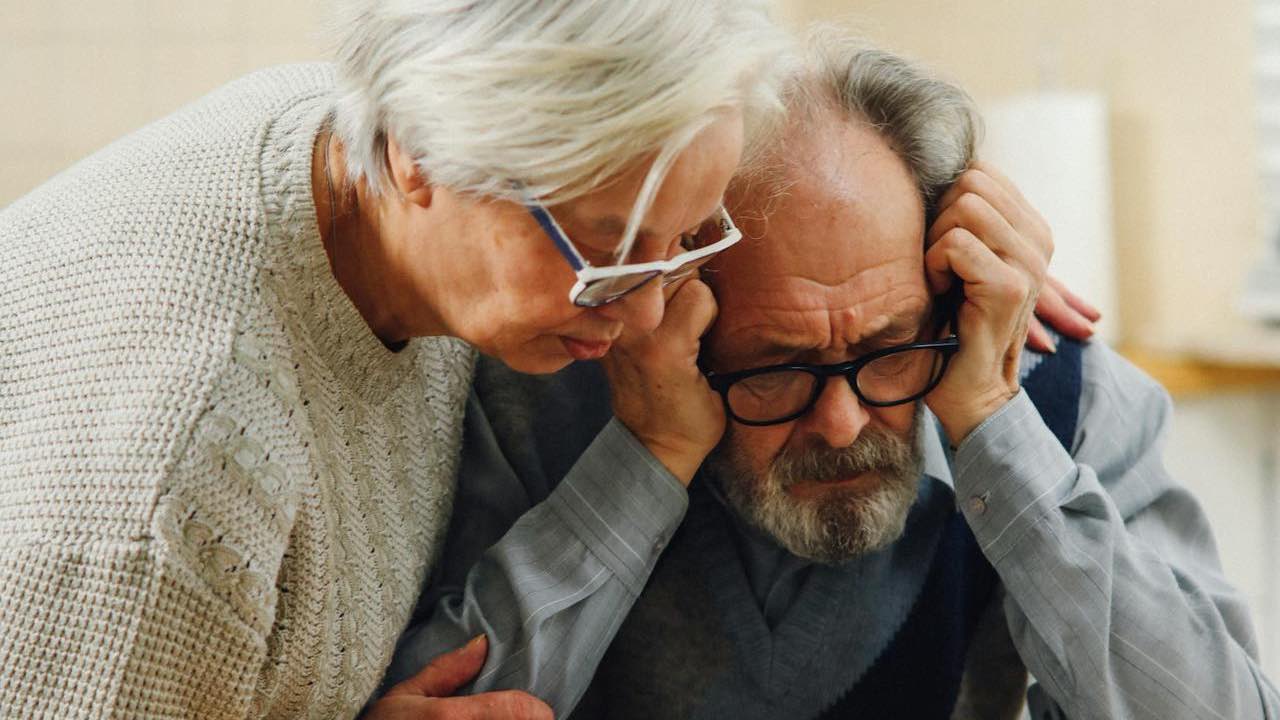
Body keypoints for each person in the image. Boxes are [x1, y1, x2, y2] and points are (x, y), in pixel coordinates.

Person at [385, 31, 1280, 719]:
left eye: (889, 347)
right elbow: (437, 701)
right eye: (776, 367)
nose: (845, 423)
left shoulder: (1051, 392)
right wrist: (646, 458)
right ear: (676, 305)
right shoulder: (544, 384)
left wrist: (996, 433)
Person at [0, 2, 795, 718]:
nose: (647, 312)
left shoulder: (335, 150)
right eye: (607, 245)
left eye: (686, 236)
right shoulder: (181, 491)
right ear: (419, 149)